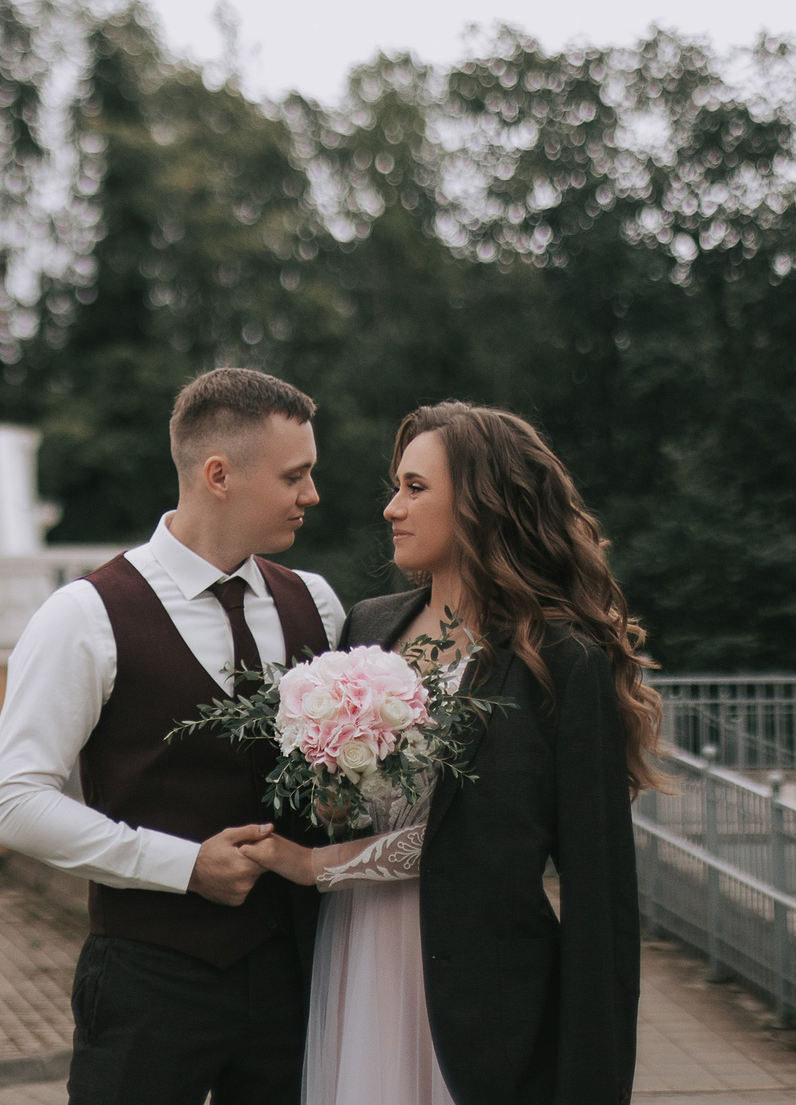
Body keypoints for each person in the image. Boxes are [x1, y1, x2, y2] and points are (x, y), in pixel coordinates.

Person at [240, 402, 659, 1105]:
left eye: (414, 487)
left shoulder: (561, 659)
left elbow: (601, 897)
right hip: (355, 954)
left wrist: (595, 1081)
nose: (391, 508)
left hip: (488, 992)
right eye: (395, 487)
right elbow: (348, 802)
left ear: (480, 502)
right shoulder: (368, 624)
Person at [0, 367, 348, 1105]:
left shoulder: (317, 601)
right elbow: (13, 800)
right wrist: (183, 864)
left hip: (299, 976)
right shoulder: (85, 614)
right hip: (150, 980)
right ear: (219, 474)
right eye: (295, 475)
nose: (312, 494)